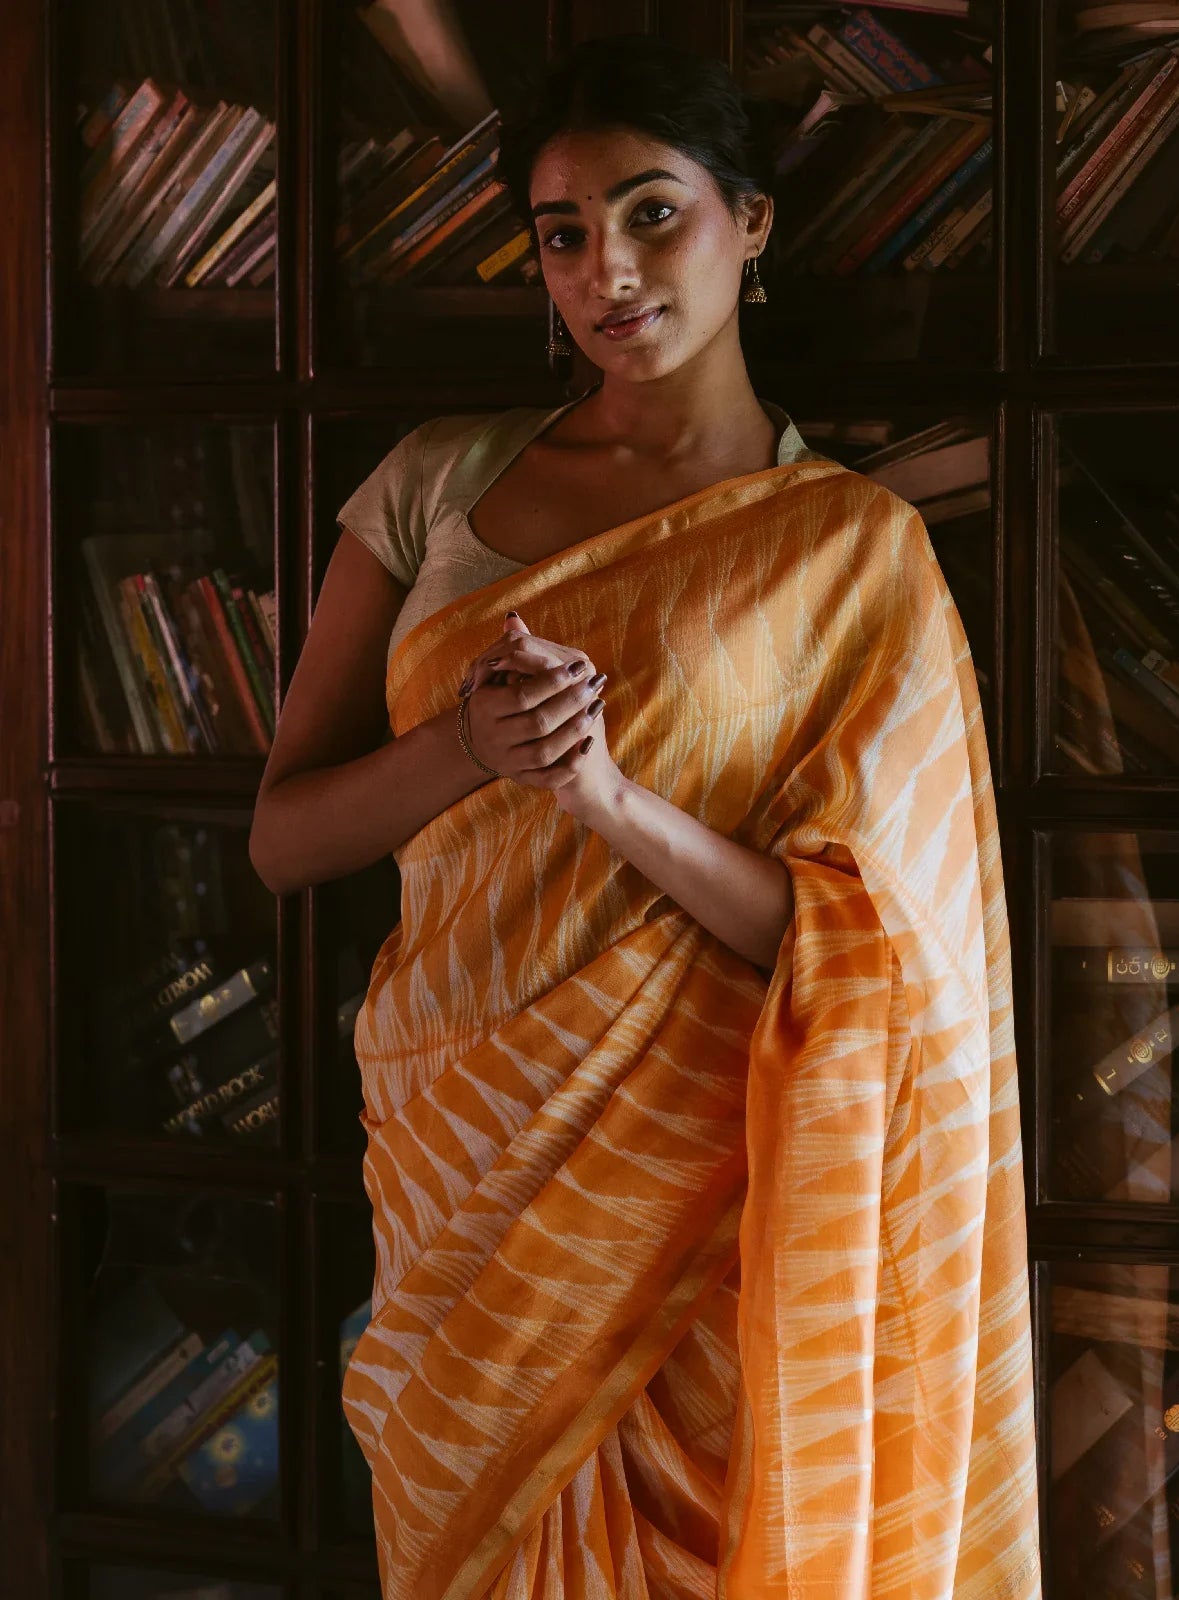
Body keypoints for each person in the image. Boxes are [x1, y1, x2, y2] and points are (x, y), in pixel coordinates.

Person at [248, 31, 1041, 1600]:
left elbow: (878, 948)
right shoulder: (434, 488)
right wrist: (470, 751)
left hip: (706, 1197)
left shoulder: (848, 552)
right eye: (560, 233)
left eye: (651, 212)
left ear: (751, 224)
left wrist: (604, 799)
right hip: (468, 1167)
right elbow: (285, 839)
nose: (606, 267)